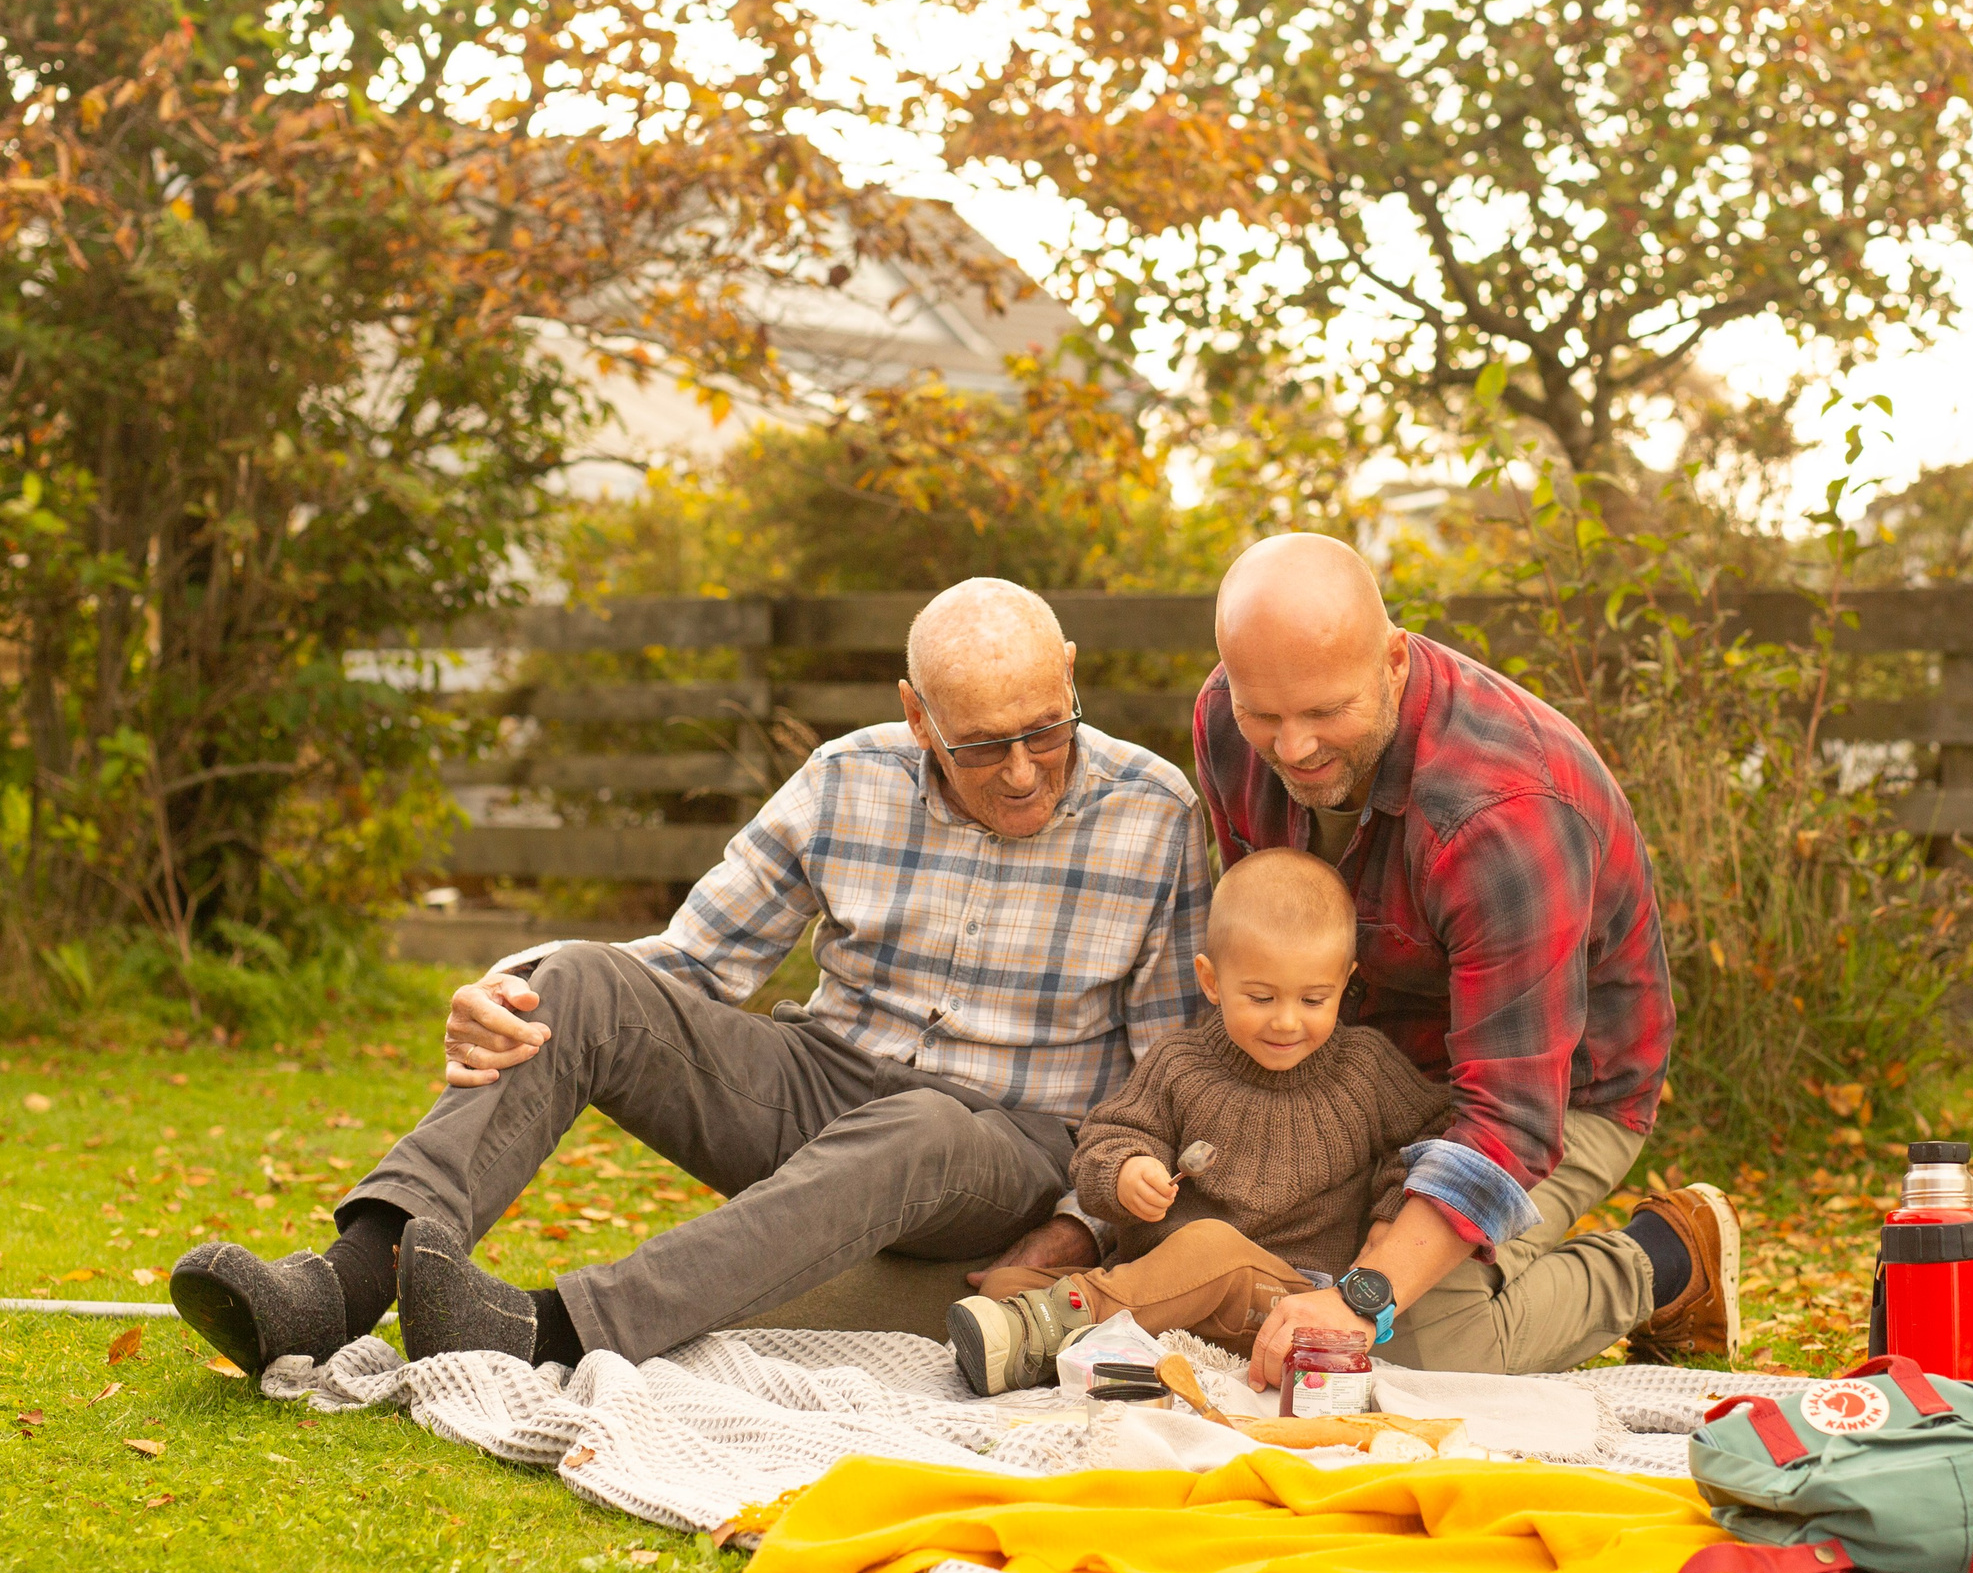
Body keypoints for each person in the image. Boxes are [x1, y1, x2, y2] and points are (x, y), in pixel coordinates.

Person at [170, 579, 1211, 1376]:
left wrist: (1093, 1223)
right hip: (821, 1077)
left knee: (926, 1125)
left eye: (1046, 726)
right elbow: (690, 964)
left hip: (1001, 1141)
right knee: (575, 979)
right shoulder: (847, 777)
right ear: (915, 712)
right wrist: (511, 981)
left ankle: (550, 1329)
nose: (1025, 767)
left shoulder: (1154, 811)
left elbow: (1165, 1073)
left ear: (1072, 670)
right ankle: (349, 1279)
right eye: (983, 745)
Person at [1193, 534, 1739, 1387]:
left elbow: (1509, 1120)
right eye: (1265, 715)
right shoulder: (1228, 720)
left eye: (1324, 713)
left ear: (1393, 661)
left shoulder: (1501, 819)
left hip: (1554, 1097)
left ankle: (1667, 1259)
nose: (1291, 749)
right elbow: (1255, 939)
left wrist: (1368, 1290)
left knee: (1414, 1349)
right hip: (1362, 1063)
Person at [946, 848, 1448, 1394]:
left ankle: (1062, 1328)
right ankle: (1097, 1348)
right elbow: (1103, 1142)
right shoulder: (1179, 1063)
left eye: (1313, 998)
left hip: (1284, 1301)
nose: (1286, 1020)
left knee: (1211, 1245)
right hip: (1163, 1285)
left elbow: (1437, 1133)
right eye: (1260, 997)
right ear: (1211, 981)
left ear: (1346, 982)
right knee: (1006, 1285)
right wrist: (1125, 1172)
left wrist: (1388, 1211)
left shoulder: (1364, 1067)